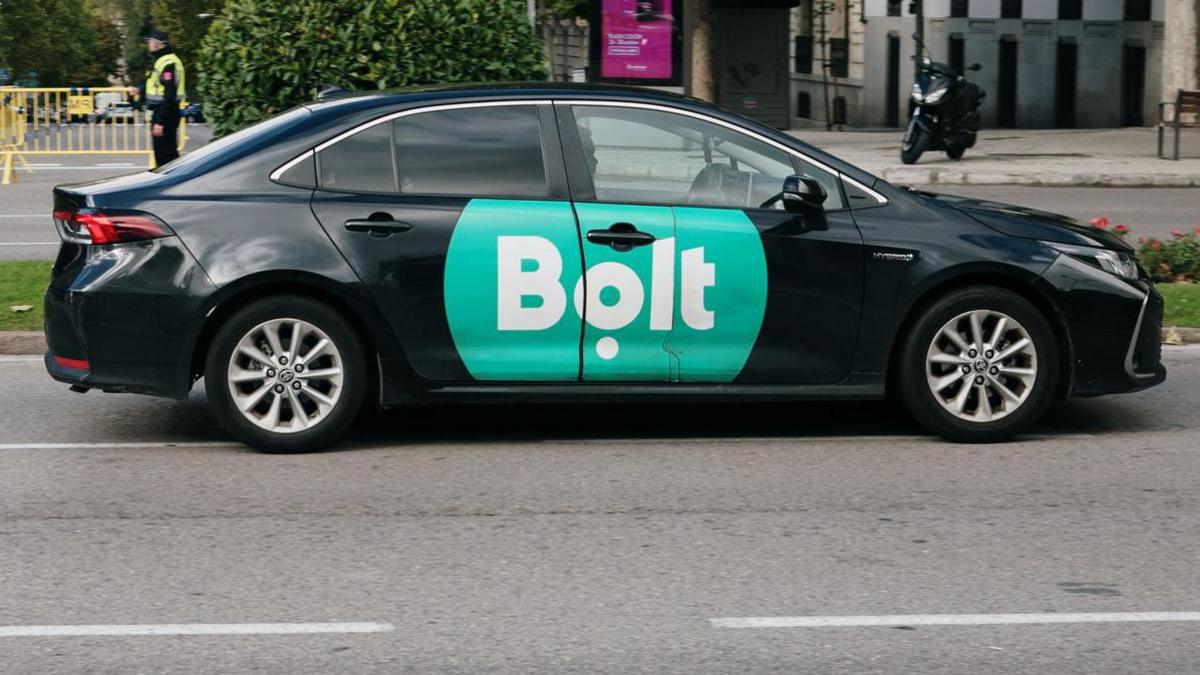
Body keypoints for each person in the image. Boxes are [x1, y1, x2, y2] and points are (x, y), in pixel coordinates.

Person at [131, 29, 185, 167]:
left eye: (149, 42)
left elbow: (169, 95)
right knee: (168, 154)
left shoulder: (168, 63)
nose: (148, 45)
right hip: (165, 112)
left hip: (165, 113)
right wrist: (140, 89)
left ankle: (170, 185)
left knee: (165, 156)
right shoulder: (162, 60)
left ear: (156, 45)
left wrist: (160, 122)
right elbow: (155, 82)